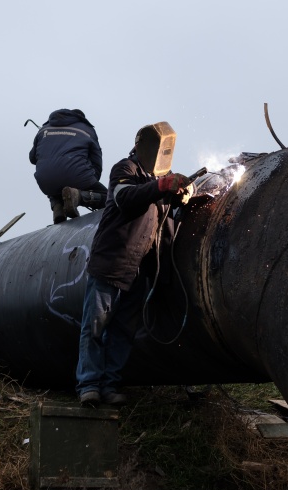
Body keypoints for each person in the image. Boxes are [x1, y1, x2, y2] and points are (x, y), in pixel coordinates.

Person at [75, 121, 193, 407]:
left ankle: (109, 385)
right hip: (111, 263)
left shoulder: (156, 181)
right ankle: (89, 385)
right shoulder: (124, 170)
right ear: (142, 147)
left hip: (139, 271)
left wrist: (182, 194)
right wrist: (162, 186)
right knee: (95, 327)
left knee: (123, 333)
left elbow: (168, 218)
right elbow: (126, 198)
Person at [28, 108, 107, 224]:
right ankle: (79, 196)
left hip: (45, 180)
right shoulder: (87, 129)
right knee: (109, 198)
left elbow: (32, 158)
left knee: (54, 179)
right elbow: (96, 160)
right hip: (78, 175)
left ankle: (58, 208)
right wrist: (91, 180)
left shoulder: (44, 130)